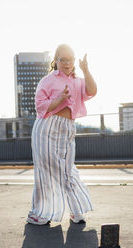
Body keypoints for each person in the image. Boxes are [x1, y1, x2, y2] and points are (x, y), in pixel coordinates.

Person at [27, 44, 97, 225]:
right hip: (47, 128)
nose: (67, 63)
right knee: (46, 172)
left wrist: (86, 70)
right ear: (55, 61)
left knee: (67, 170)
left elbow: (92, 91)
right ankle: (42, 213)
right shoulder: (47, 80)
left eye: (70, 59)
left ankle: (77, 210)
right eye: (63, 59)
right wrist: (59, 100)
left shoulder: (77, 80)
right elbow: (40, 106)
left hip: (67, 128)